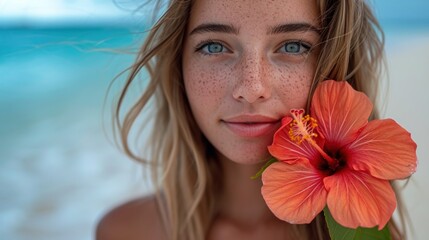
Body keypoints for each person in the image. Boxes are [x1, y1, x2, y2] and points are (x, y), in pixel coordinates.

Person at [96, 0, 410, 239]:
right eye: (214, 45)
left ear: (333, 60)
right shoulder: (123, 231)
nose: (251, 88)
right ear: (179, 67)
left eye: (293, 46)